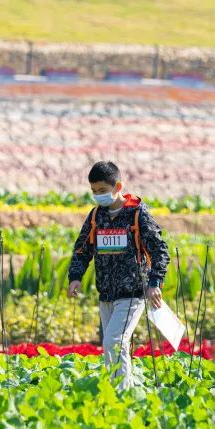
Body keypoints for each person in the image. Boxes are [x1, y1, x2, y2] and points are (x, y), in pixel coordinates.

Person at [67, 161, 169, 391]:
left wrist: (155, 283)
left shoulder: (137, 214)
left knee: (115, 341)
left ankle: (121, 394)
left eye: (102, 191)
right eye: (94, 192)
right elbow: (82, 249)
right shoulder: (96, 217)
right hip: (106, 294)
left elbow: (160, 250)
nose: (98, 196)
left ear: (118, 186)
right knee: (111, 345)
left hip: (133, 293)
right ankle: (118, 391)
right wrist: (75, 277)